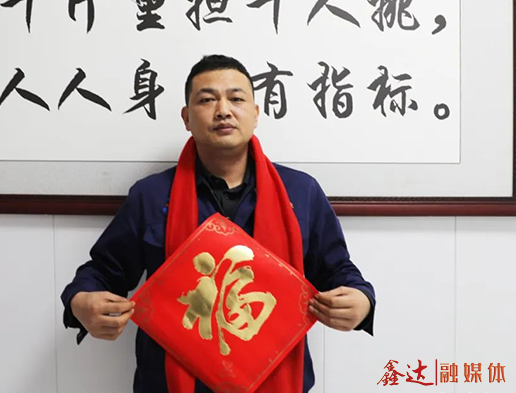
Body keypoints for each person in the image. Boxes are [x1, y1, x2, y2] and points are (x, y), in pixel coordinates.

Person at [61, 54, 375, 393]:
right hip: (171, 383)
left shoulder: (301, 192)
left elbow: (338, 271)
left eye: (236, 99)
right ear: (186, 117)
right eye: (207, 100)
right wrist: (82, 302)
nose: (223, 110)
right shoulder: (151, 196)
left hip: (276, 380)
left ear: (256, 114)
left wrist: (361, 301)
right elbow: (103, 272)